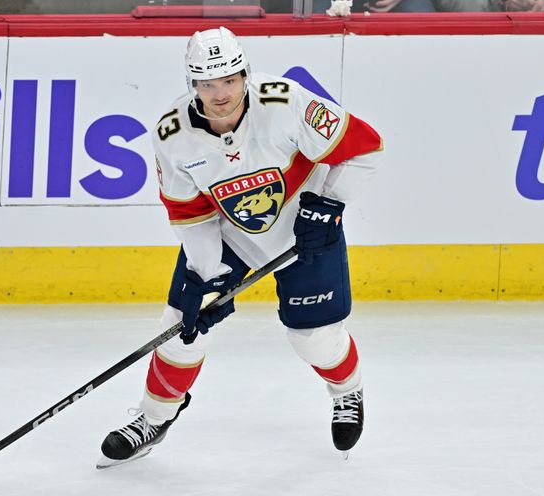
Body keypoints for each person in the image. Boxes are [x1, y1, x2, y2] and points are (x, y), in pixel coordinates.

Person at [97, 27, 383, 469]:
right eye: (207, 84)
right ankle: (153, 419)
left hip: (306, 227)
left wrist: (328, 205)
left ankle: (347, 392)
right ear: (192, 83)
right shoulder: (172, 135)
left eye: (229, 80)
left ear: (244, 74)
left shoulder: (286, 101)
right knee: (180, 326)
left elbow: (365, 148)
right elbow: (191, 215)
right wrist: (206, 274)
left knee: (314, 340)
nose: (220, 94)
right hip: (231, 234)